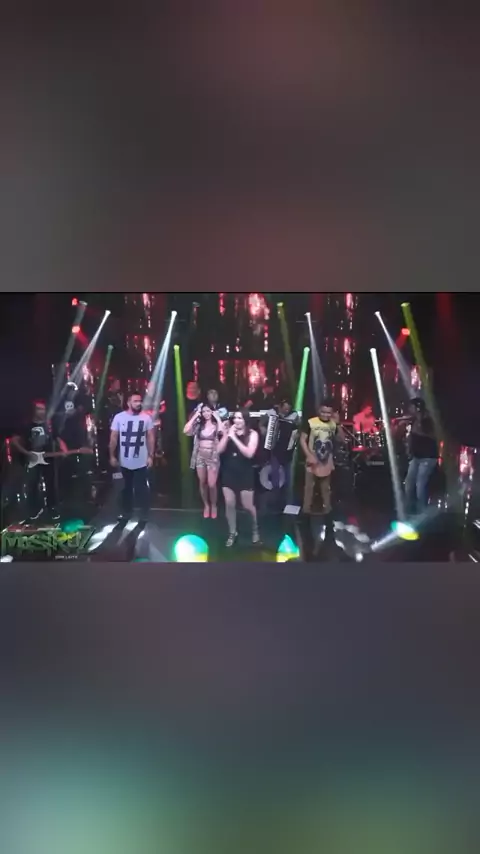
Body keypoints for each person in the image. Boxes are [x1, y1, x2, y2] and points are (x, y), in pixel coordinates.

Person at [11, 400, 68, 521]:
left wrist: (64, 449)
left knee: (51, 483)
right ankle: (34, 509)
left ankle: (52, 508)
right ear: (34, 410)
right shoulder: (26, 425)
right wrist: (26, 453)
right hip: (33, 459)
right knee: (32, 484)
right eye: (39, 409)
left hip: (48, 458)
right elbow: (14, 441)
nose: (42, 411)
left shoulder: (49, 425)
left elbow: (57, 438)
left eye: (43, 409)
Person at [109, 391, 156, 523]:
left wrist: (151, 456)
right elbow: (113, 438)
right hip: (124, 461)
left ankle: (143, 514)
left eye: (140, 401)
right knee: (126, 489)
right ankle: (126, 513)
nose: (138, 403)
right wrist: (112, 456)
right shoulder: (119, 417)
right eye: (135, 401)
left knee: (142, 489)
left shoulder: (146, 418)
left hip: (141, 461)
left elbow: (150, 438)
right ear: (128, 403)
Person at [217, 409, 260, 547]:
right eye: (235, 418)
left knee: (248, 506)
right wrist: (227, 435)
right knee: (229, 503)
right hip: (229, 472)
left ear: (245, 420)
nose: (236, 421)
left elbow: (249, 453)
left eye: (240, 418)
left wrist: (234, 438)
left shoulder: (253, 434)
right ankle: (232, 532)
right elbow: (218, 450)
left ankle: (255, 530)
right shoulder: (229, 432)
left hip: (245, 473)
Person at [300, 399, 346, 515]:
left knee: (325, 487)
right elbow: (302, 440)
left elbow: (342, 439)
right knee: (309, 487)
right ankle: (306, 512)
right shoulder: (311, 422)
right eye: (323, 412)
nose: (325, 415)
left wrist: (338, 424)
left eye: (328, 412)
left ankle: (327, 511)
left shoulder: (333, 424)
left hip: (326, 460)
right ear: (319, 411)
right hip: (312, 459)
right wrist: (309, 455)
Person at [184, 403, 225, 518]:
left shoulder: (216, 425)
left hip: (213, 457)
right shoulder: (199, 426)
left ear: (212, 412)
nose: (206, 413)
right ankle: (206, 505)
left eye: (208, 411)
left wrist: (217, 418)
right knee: (202, 482)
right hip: (200, 456)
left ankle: (214, 505)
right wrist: (195, 416)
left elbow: (222, 432)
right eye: (204, 411)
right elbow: (186, 430)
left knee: (212, 484)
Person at [403, 398, 438, 514]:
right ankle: (409, 508)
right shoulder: (413, 420)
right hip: (416, 457)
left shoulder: (428, 419)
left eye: (412, 407)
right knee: (409, 482)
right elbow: (412, 437)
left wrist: (416, 430)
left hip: (427, 457)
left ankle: (422, 511)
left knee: (420, 484)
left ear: (418, 408)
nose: (409, 409)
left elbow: (432, 435)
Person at [259, 398, 300, 492]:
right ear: (279, 407)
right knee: (275, 471)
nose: (287, 411)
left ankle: (287, 493)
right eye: (285, 409)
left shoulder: (294, 415)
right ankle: (275, 492)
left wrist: (297, 434)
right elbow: (261, 423)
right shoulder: (271, 412)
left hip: (288, 448)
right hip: (274, 447)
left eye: (288, 409)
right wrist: (263, 429)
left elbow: (298, 427)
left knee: (288, 473)